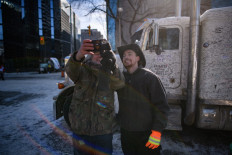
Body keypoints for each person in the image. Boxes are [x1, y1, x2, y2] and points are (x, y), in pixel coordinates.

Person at [65, 39, 124, 155]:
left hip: (103, 131)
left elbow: (119, 84)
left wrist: (112, 64)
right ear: (91, 55)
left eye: (103, 54)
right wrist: (78, 55)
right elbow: (70, 71)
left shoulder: (110, 71)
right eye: (97, 54)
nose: (99, 57)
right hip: (81, 129)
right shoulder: (82, 68)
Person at [116, 44, 170, 155]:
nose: (126, 57)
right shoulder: (120, 80)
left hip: (147, 135)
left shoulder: (150, 78)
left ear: (138, 58)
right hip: (127, 135)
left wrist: (156, 132)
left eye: (130, 54)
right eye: (124, 55)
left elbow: (161, 107)